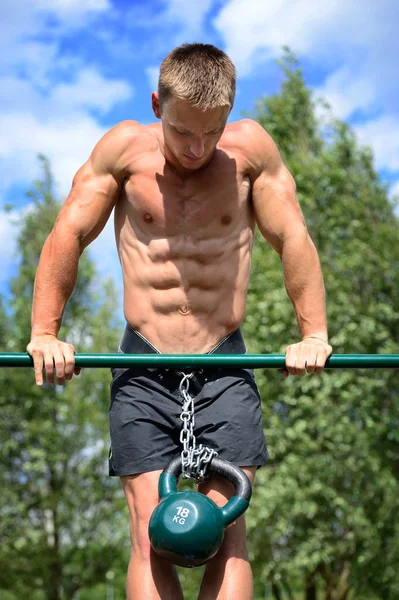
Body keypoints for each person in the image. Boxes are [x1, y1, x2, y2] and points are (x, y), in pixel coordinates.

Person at [27, 43, 332, 600]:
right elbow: (67, 232)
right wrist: (45, 332)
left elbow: (292, 236)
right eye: (182, 131)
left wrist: (314, 334)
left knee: (226, 533)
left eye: (211, 132)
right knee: (153, 535)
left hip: (224, 363)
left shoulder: (251, 153)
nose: (197, 148)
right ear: (155, 105)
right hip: (143, 365)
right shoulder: (123, 150)